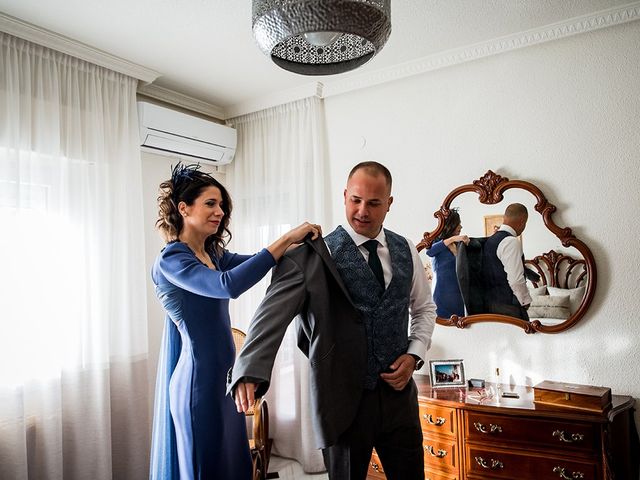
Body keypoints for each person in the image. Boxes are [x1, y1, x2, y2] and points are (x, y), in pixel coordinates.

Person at [228, 161, 437, 480]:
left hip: (399, 399)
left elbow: (424, 309)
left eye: (374, 203)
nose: (362, 211)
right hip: (342, 401)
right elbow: (271, 314)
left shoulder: (406, 248)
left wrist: (414, 355)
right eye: (355, 200)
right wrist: (248, 369)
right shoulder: (313, 255)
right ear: (344, 196)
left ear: (389, 204)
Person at [149, 163, 321, 480]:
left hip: (227, 379)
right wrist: (286, 237)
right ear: (183, 208)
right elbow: (228, 285)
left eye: (222, 205)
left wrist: (297, 247)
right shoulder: (171, 259)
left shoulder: (214, 253)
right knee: (205, 468)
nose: (220, 211)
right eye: (211, 203)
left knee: (232, 466)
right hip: (196, 384)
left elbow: (260, 262)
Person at [482, 202, 531, 320]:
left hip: (490, 305)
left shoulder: (490, 240)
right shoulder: (511, 241)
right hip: (509, 307)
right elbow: (515, 279)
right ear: (522, 221)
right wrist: (525, 300)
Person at [426, 209, 469, 318]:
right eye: (458, 224)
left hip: (458, 294)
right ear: (451, 225)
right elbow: (429, 252)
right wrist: (452, 238)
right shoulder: (436, 242)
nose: (461, 227)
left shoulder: (459, 244)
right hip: (442, 293)